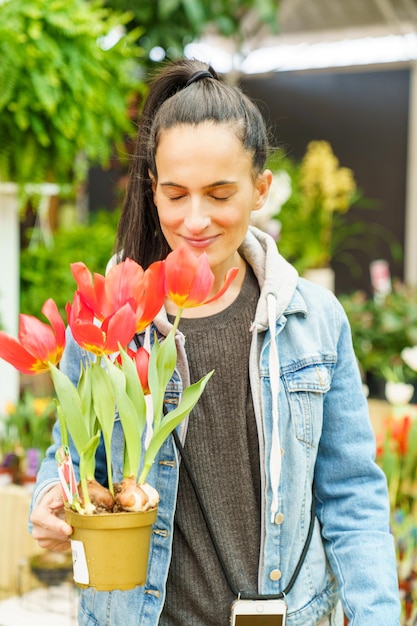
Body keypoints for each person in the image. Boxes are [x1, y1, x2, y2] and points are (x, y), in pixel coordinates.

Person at [30, 58, 401, 626]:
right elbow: (75, 453)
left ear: (261, 190)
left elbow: (351, 496)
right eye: (175, 195)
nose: (195, 220)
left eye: (220, 194)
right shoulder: (109, 317)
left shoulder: (314, 322)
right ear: (152, 192)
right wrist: (52, 497)